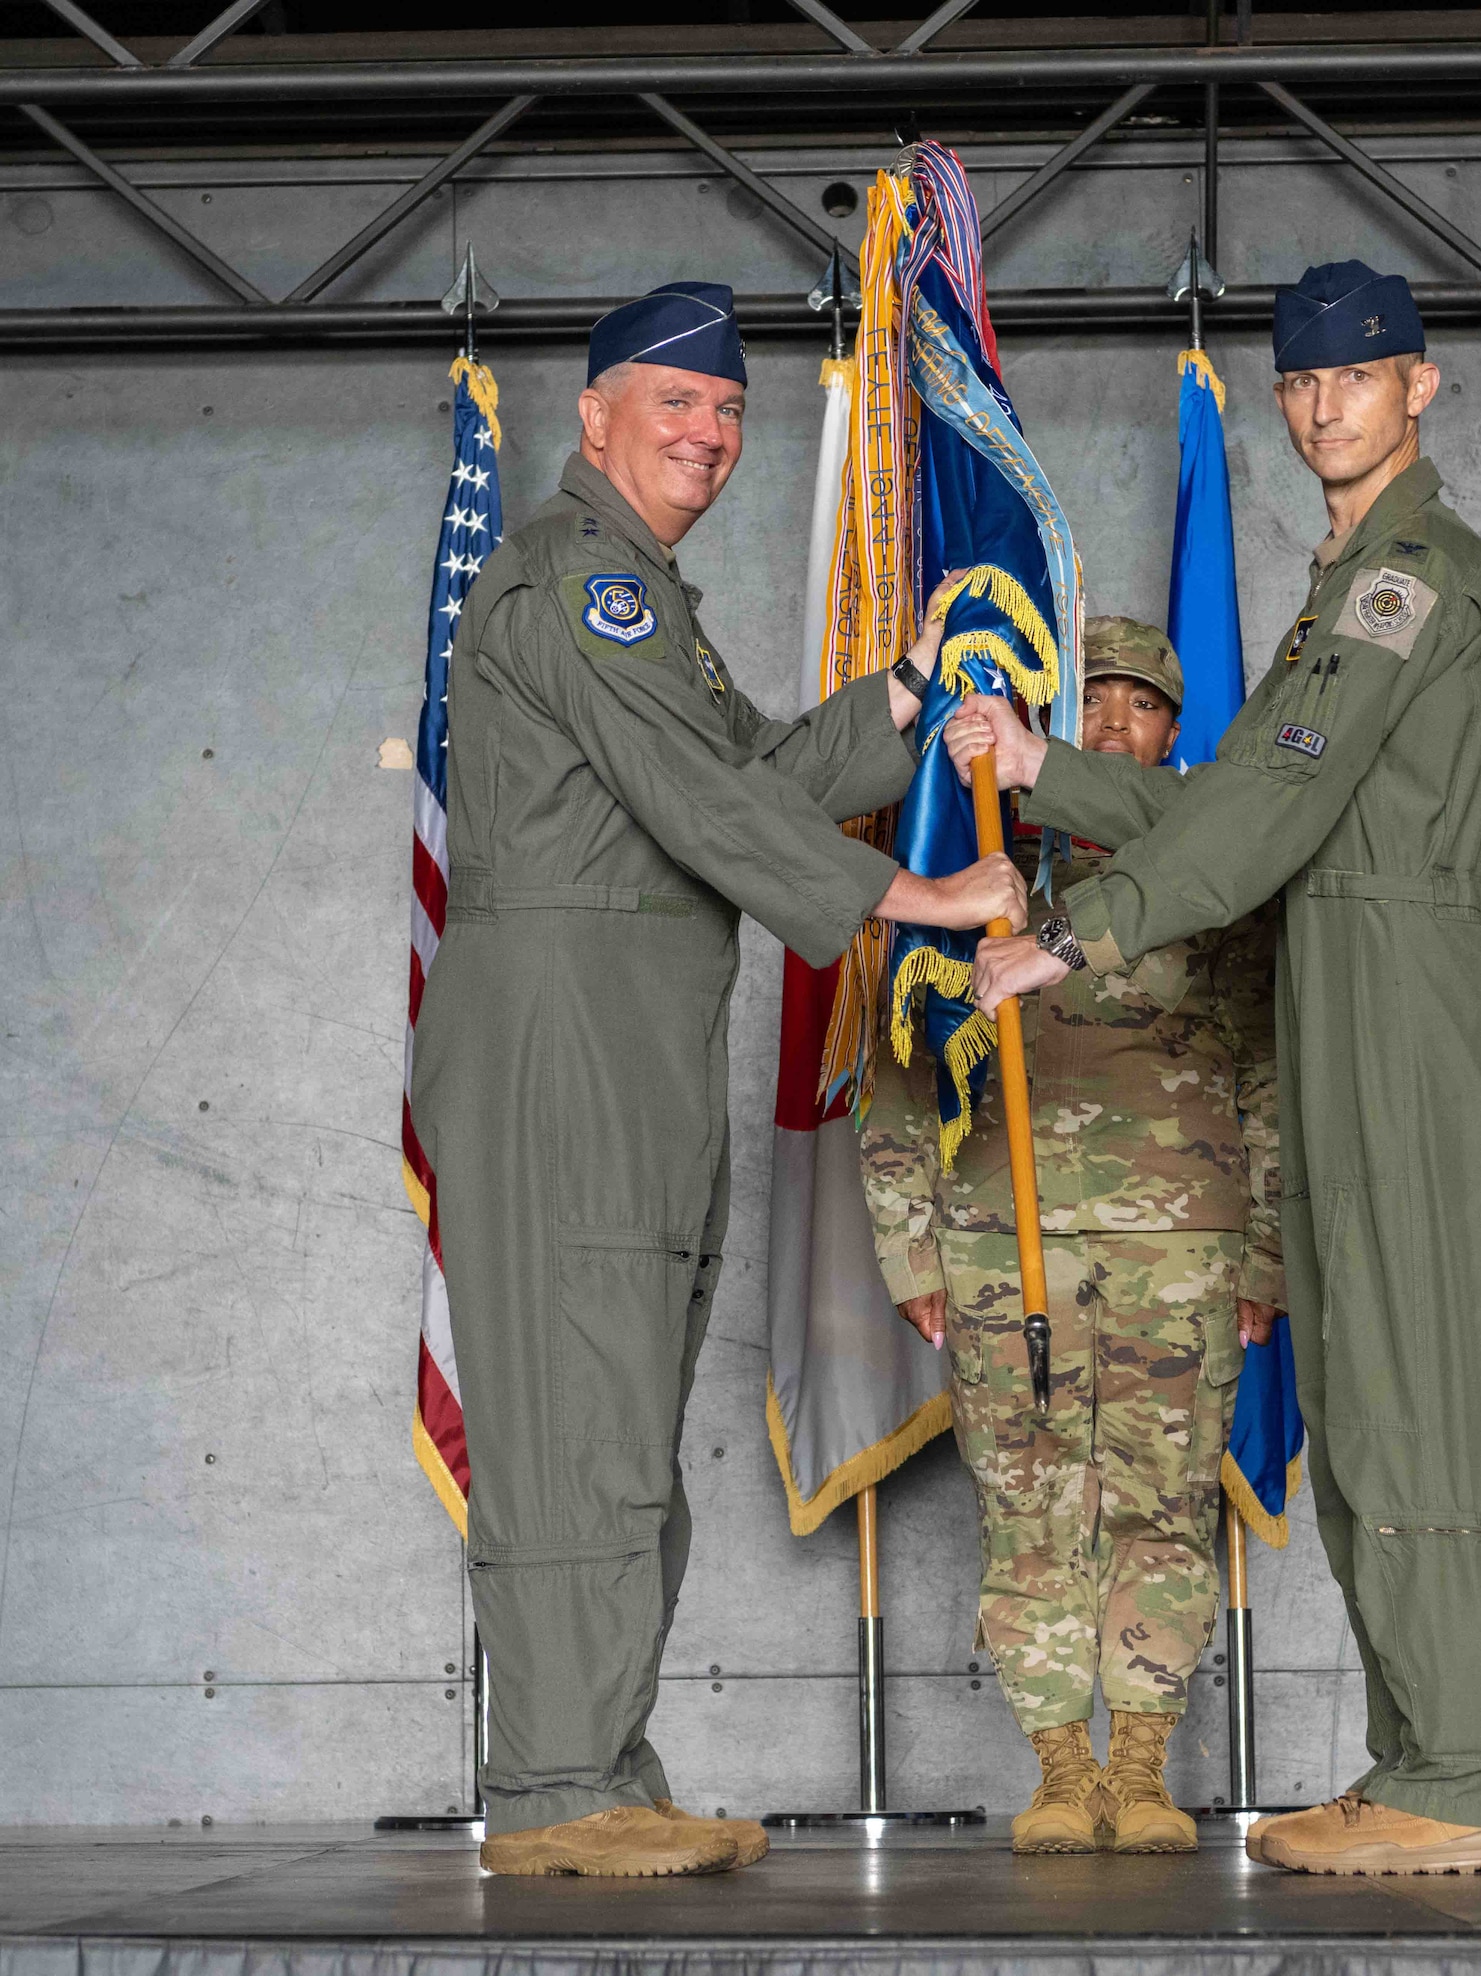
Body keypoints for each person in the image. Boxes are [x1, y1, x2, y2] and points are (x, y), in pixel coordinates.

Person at [410, 280, 1024, 1879]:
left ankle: (601, 1764)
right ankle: (553, 1792)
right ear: (594, 414)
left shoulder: (646, 601)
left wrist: (903, 690)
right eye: (674, 404)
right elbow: (711, 810)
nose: (709, 434)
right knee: (573, 1419)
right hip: (563, 1046)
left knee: (620, 1418)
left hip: (627, 1040)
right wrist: (922, 899)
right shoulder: (572, 587)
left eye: (733, 411)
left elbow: (748, 774)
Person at [947, 261, 1481, 1877]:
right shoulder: (1336, 584)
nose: (1322, 403)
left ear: (1422, 388)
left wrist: (1077, 933)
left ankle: (1476, 1772)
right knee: (1365, 1403)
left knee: (1422, 1391)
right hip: (1339, 993)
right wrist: (1047, 767)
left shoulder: (1409, 576)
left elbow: (1266, 808)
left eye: (1357, 377)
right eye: (1300, 381)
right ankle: (1424, 1757)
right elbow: (1234, 801)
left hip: (1402, 996)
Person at [863, 617, 1284, 1856]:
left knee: (1162, 1506)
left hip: (1180, 1247)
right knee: (1028, 1505)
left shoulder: (1218, 869)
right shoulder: (975, 861)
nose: (1110, 725)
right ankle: (1058, 1767)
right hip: (1006, 1240)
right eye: (1087, 703)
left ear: (1171, 728)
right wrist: (909, 1243)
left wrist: (1265, 1252)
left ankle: (1142, 1766)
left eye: (1137, 707)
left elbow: (1266, 1066)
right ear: (1045, 721)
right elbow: (897, 1060)